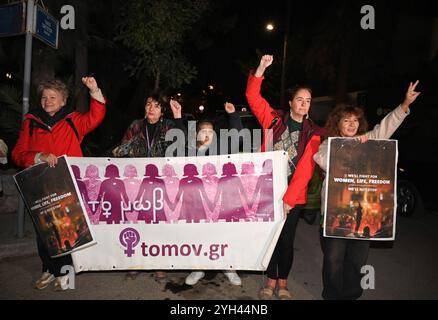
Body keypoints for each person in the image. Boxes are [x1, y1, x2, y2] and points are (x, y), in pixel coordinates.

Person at [313, 80, 421, 300]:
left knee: (357, 260)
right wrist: (348, 148)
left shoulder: (368, 141)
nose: (352, 125)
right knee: (333, 259)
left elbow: (386, 127)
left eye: (355, 121)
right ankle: (332, 295)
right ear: (338, 124)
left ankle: (351, 294)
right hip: (335, 214)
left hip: (365, 213)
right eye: (346, 121)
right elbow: (321, 160)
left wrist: (404, 105)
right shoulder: (329, 144)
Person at [12, 77, 106, 291]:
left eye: (53, 97)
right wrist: (38, 156)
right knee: (43, 231)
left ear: (63, 101)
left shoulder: (73, 120)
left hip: (67, 184)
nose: (47, 101)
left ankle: (66, 273)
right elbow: (18, 154)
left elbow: (96, 116)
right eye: (44, 97)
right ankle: (48, 268)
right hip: (39, 187)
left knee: (68, 229)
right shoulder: (31, 121)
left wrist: (94, 90)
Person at [246, 55, 326, 300]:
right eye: (299, 99)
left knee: (287, 240)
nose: (304, 104)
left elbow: (305, 172)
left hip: (294, 195)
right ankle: (269, 281)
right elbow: (253, 98)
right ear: (291, 102)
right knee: (271, 238)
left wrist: (289, 199)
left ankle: (283, 283)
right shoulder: (274, 120)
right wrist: (260, 68)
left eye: (308, 101)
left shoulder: (314, 132)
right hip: (268, 191)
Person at [112, 91, 185, 281]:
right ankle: (136, 261)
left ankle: (160, 264)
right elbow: (120, 151)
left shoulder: (168, 127)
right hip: (137, 185)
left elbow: (183, 148)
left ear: (162, 111)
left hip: (161, 185)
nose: (151, 108)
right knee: (137, 223)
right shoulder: (136, 126)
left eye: (157, 106)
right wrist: (123, 149)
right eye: (148, 104)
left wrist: (178, 117)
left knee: (159, 225)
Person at [184, 102, 244, 287]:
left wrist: (233, 115)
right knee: (199, 235)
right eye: (203, 131)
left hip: (221, 201)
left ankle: (229, 267)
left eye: (211, 131)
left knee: (223, 234)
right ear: (197, 134)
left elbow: (237, 137)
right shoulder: (190, 152)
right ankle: (198, 268)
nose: (207, 134)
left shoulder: (222, 149)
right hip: (199, 202)